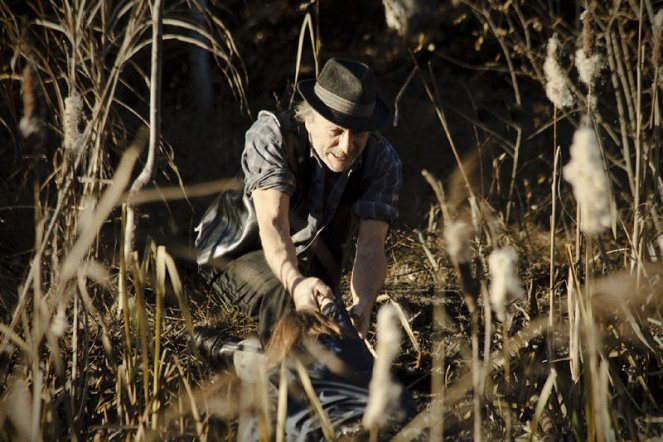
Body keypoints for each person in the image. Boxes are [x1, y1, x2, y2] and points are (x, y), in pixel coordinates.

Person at [197, 57, 402, 346]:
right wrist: (295, 283)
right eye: (336, 131)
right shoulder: (273, 136)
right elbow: (273, 222)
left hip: (312, 271)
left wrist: (363, 304)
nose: (346, 146)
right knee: (286, 303)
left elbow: (371, 246)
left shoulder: (383, 160)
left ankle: (263, 361)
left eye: (358, 133)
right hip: (237, 255)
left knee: (335, 329)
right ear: (309, 118)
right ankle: (234, 356)